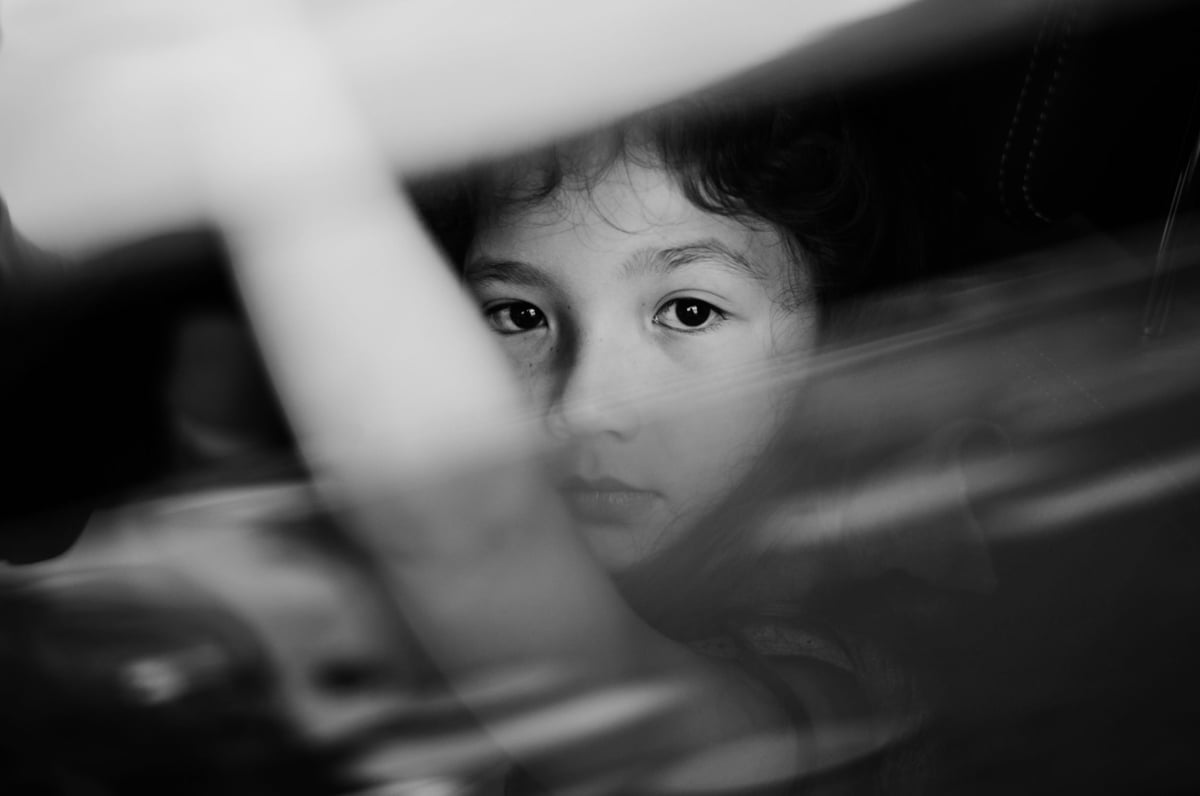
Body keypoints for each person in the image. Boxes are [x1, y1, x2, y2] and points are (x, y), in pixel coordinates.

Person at [428, 87, 959, 792]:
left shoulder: (835, 669)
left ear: (833, 345)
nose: (582, 407)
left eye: (688, 310)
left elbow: (642, 744)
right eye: (520, 314)